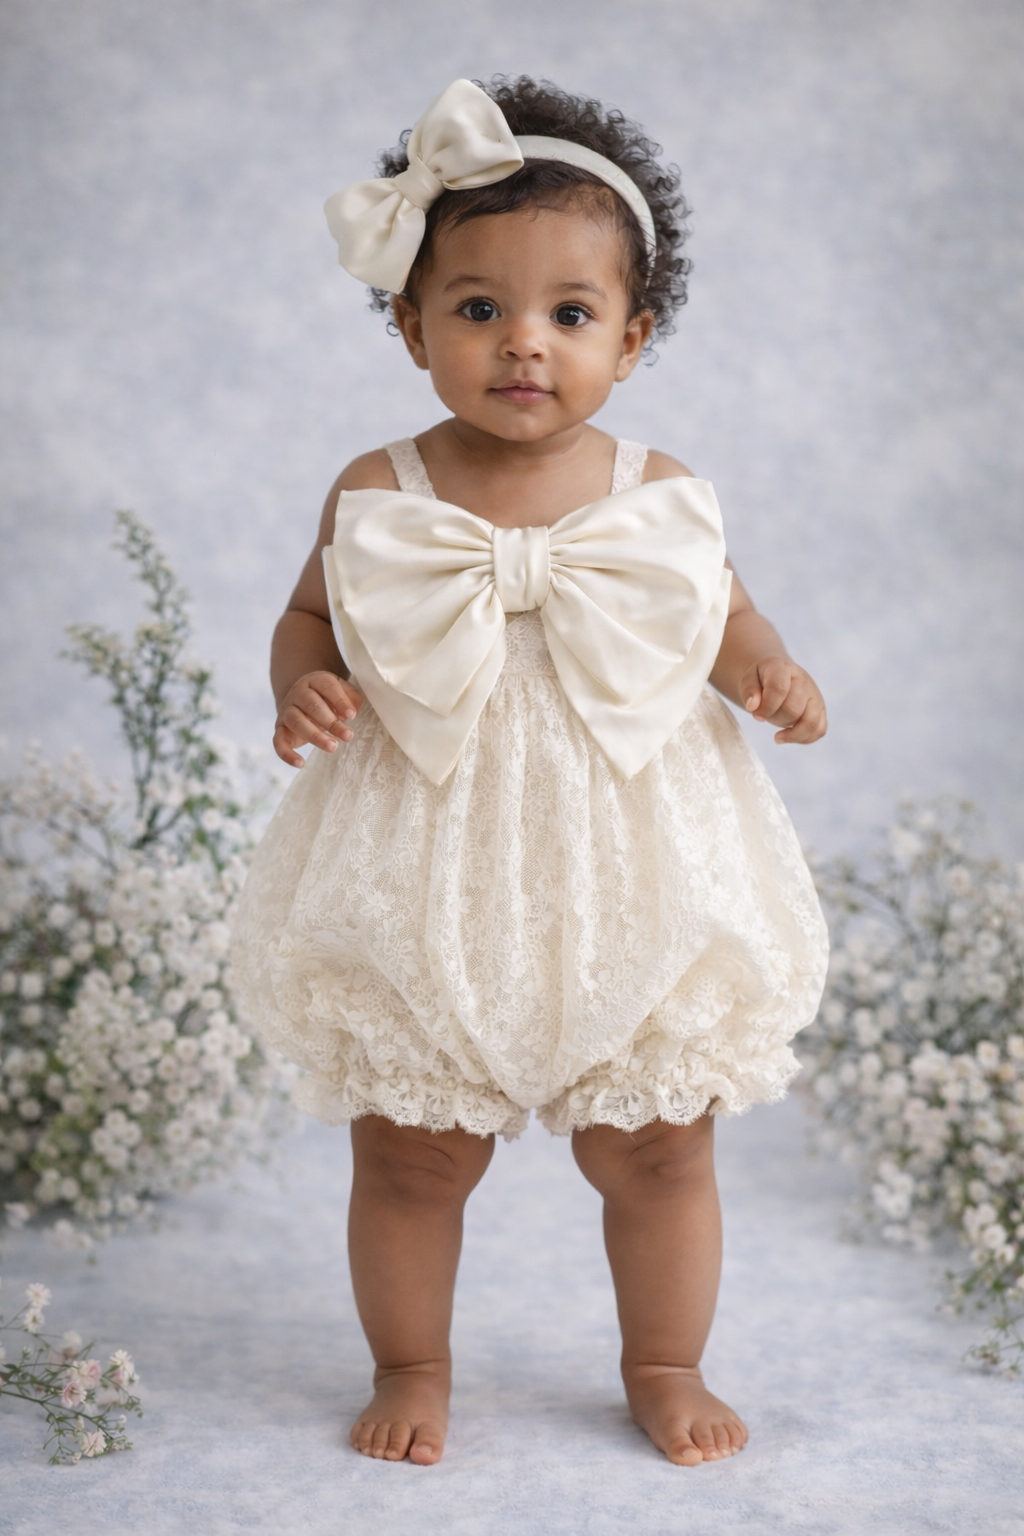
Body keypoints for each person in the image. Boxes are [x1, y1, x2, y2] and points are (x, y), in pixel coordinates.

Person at [231, 75, 830, 1470]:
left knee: (662, 1145)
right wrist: (300, 684)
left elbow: (720, 610)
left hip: (633, 859)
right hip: (427, 855)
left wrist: (764, 667)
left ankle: (665, 1360)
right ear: (411, 323)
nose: (523, 345)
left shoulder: (655, 488)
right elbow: (308, 615)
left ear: (632, 337)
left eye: (570, 314)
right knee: (412, 1149)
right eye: (479, 307)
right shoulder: (378, 489)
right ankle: (414, 1362)